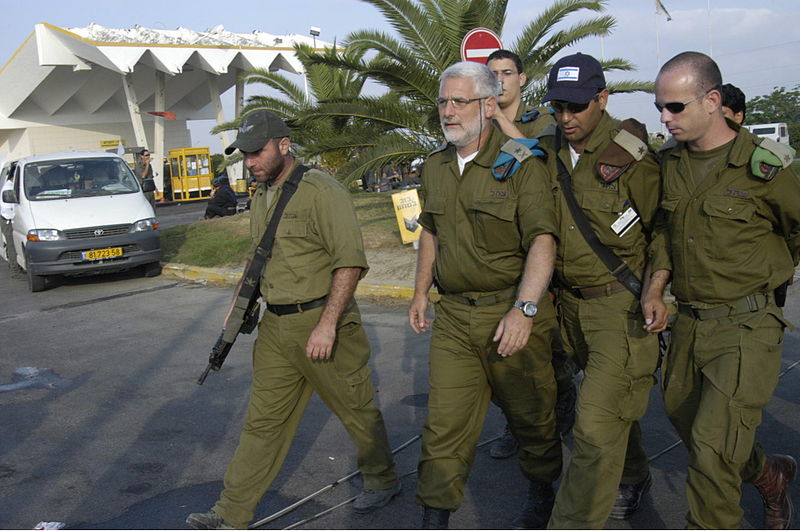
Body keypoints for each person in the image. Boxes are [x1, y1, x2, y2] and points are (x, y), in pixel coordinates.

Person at [185, 110, 400, 530]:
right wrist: (238, 301)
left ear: (284, 145)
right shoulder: (263, 192)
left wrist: (328, 323)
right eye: (245, 154)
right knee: (263, 422)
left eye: (257, 152)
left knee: (357, 410)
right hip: (277, 329)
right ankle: (231, 513)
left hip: (324, 323)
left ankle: (382, 479)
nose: (250, 162)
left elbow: (350, 262)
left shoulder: (322, 190)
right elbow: (261, 255)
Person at [408, 61, 562, 529]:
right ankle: (435, 514)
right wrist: (420, 292)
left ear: (489, 106)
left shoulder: (521, 162)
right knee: (444, 426)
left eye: (460, 102)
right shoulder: (435, 166)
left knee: (531, 417)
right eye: (443, 101)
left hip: (507, 311)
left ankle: (542, 488)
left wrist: (524, 309)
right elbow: (429, 232)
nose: (448, 111)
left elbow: (543, 240)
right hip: (454, 316)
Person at [650, 51, 799, 530]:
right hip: (691, 324)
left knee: (712, 455)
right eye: (661, 107)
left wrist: (772, 272)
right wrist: (656, 287)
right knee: (689, 423)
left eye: (675, 107)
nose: (665, 117)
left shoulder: (763, 168)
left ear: (712, 100)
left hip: (747, 326)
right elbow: (663, 234)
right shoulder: (668, 165)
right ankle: (769, 475)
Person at [537, 53, 664, 528]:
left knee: (591, 429)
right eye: (557, 108)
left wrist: (655, 290)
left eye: (576, 107)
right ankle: (633, 474)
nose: (566, 118)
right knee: (609, 410)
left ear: (602, 98)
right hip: (568, 306)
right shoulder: (547, 148)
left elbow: (662, 230)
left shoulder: (630, 153)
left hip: (618, 308)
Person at [486, 49, 578, 460]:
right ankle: (518, 424)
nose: (500, 81)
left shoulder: (541, 122)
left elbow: (536, 159)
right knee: (504, 358)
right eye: (492, 75)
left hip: (545, 248)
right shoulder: (479, 124)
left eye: (507, 73)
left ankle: (559, 415)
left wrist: (499, 121)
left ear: (522, 79)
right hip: (504, 251)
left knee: (547, 353)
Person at [0, 168, 23, 279]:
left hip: (8, 218)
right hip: (7, 220)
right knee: (11, 244)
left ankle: (14, 267)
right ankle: (15, 271)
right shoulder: (8, 188)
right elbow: (7, 209)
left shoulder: (10, 186)